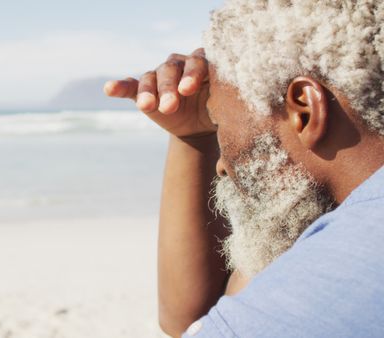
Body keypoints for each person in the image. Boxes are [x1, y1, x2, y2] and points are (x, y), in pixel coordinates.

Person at [105, 1, 384, 337]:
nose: (221, 166)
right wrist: (192, 137)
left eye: (220, 123)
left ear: (305, 112)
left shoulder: (328, 289)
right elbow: (200, 320)